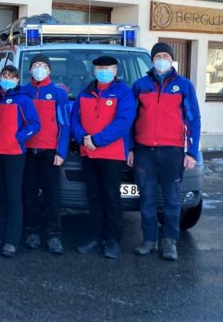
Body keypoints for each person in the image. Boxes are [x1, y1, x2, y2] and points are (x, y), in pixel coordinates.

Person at [129, 43, 201, 261]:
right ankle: (149, 240)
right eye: (158, 56)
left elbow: (193, 119)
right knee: (147, 198)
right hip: (144, 151)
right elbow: (130, 120)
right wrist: (130, 148)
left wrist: (192, 152)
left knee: (172, 199)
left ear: (171, 60)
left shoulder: (184, 85)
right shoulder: (140, 85)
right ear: (152, 60)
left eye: (165, 56)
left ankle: (169, 241)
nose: (161, 59)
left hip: (173, 151)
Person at [71, 56, 136, 259]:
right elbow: (75, 118)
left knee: (111, 197)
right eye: (100, 68)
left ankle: (113, 239)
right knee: (94, 196)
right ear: (94, 70)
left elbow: (123, 122)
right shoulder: (85, 91)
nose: (103, 71)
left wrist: (97, 140)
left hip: (111, 154)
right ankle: (95, 235)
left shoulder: (123, 92)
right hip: (88, 152)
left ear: (115, 71)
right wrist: (82, 138)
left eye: (107, 68)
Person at [0, 65, 40, 258]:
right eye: (5, 76)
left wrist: (18, 137)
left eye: (12, 77)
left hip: (14, 155)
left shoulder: (23, 99)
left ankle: (12, 240)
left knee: (14, 197)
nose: (8, 79)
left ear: (17, 80)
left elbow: (34, 124)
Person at [20, 53, 70, 255]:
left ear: (49, 70)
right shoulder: (23, 92)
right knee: (29, 195)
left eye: (43, 65)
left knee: (52, 197)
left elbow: (65, 125)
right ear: (30, 69)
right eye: (35, 65)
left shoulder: (58, 93)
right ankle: (31, 232)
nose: (39, 68)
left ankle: (53, 236)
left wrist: (61, 151)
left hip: (50, 152)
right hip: (27, 152)